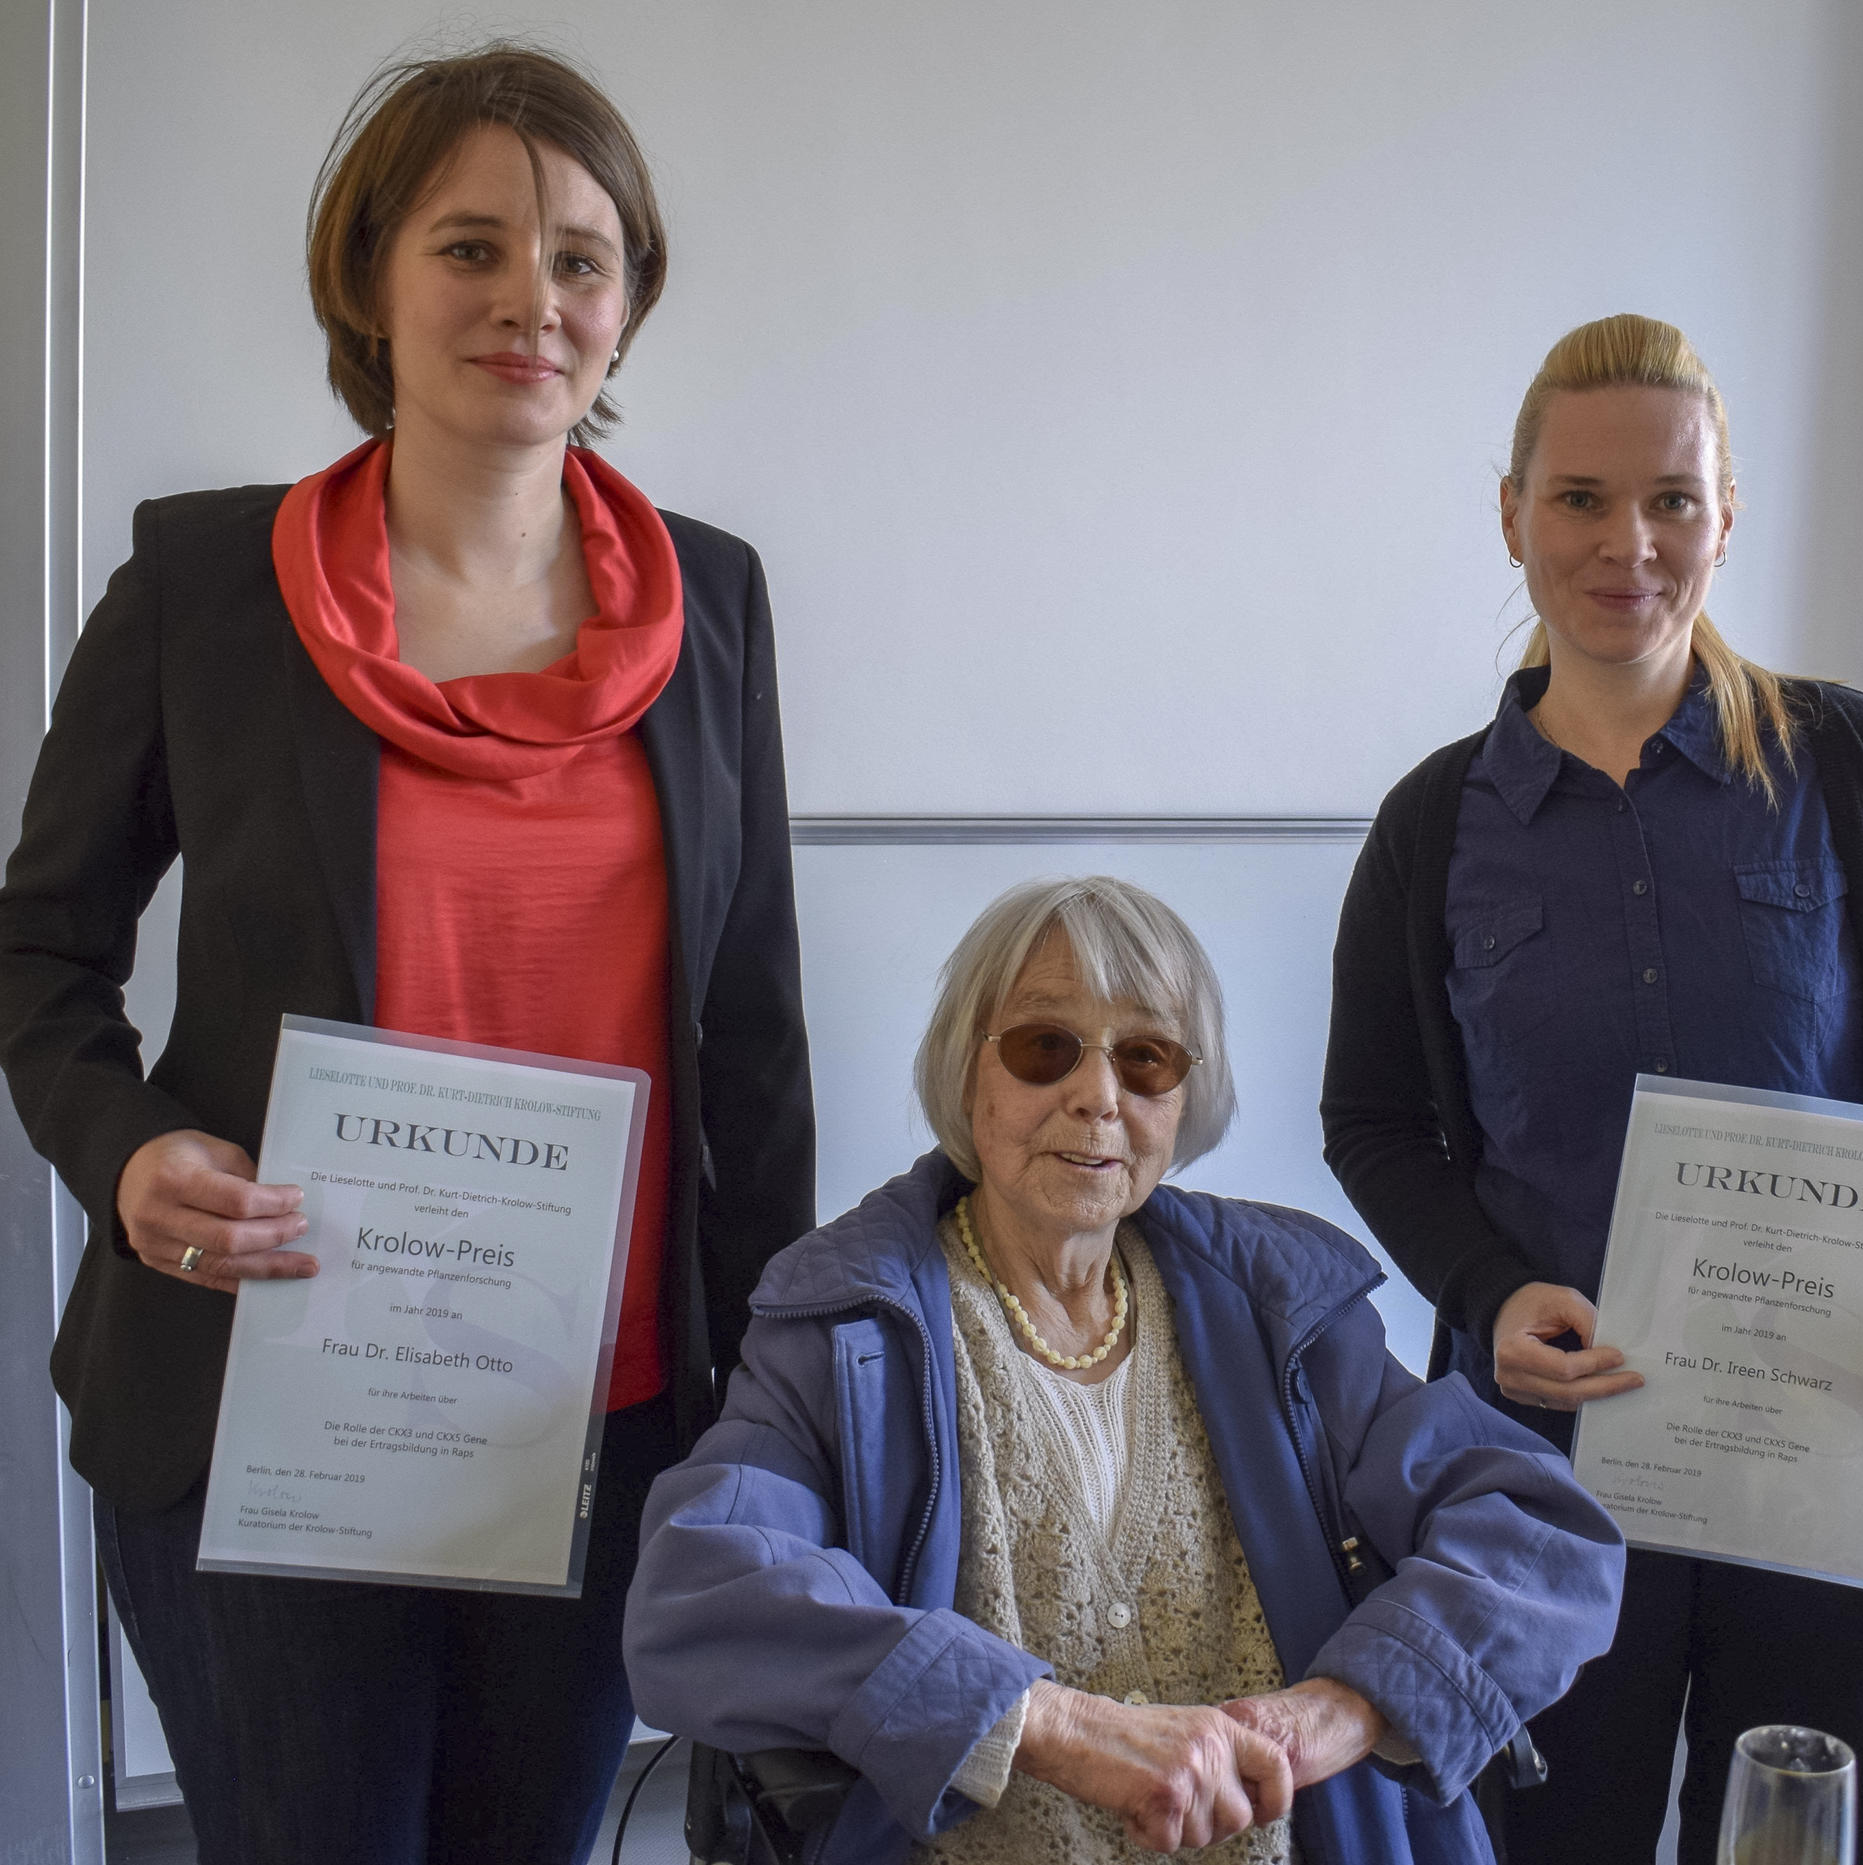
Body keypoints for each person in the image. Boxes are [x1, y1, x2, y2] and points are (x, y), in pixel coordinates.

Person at [0, 44, 813, 1865]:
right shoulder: (205, 588)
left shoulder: (720, 602)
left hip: (595, 1420)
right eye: (472, 247)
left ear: (627, 310)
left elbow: (752, 1044)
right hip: (271, 1406)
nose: (532, 300)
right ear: (372, 277)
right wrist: (125, 1153)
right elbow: (38, 952)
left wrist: (767, 1412)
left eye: (582, 260)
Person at [1321, 313, 1863, 1864]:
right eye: (1579, 499)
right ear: (1511, 514)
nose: (1628, 543)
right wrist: (1488, 1292)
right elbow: (1373, 1118)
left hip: (1840, 1448)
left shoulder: (1856, 770)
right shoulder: (1435, 825)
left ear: (1726, 514)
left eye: (1673, 500)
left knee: (1802, 1839)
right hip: (1552, 1479)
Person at [625, 876, 1623, 1863]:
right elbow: (699, 1587)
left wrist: (1346, 1705)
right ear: (966, 1076)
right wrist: (1044, 1721)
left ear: (1182, 1097)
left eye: (1144, 1056)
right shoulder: (846, 1323)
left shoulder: (1282, 1306)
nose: (1096, 1094)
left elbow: (1541, 1533)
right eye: (1041, 1046)